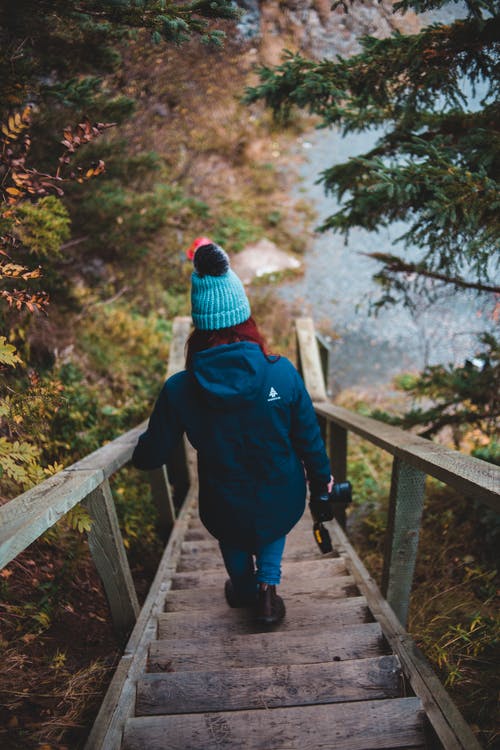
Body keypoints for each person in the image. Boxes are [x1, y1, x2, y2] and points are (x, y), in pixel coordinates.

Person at [132, 237, 333, 626]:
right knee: (272, 522)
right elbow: (309, 439)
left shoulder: (179, 389)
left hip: (223, 498)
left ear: (199, 324)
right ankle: (268, 589)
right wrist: (322, 480)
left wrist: (138, 450)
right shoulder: (282, 372)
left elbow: (152, 455)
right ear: (246, 318)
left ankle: (243, 589)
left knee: (234, 535)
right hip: (282, 490)